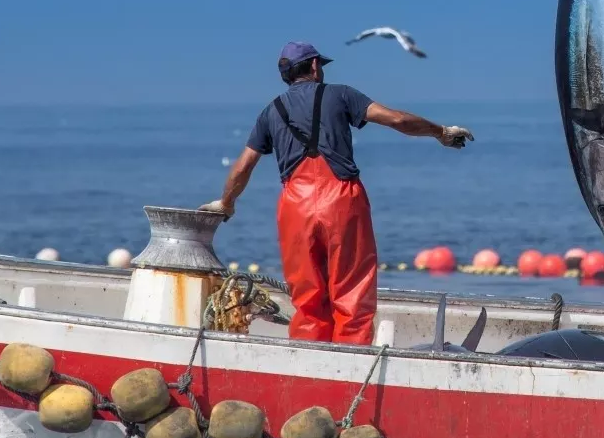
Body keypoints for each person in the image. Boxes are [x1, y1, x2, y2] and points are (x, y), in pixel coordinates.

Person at [202, 41, 473, 344]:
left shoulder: (271, 112)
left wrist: (226, 203)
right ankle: (351, 366)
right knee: (352, 290)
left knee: (307, 296)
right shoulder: (341, 94)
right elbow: (397, 120)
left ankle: (309, 361)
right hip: (341, 199)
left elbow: (243, 166)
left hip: (295, 207)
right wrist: (441, 132)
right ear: (315, 66)